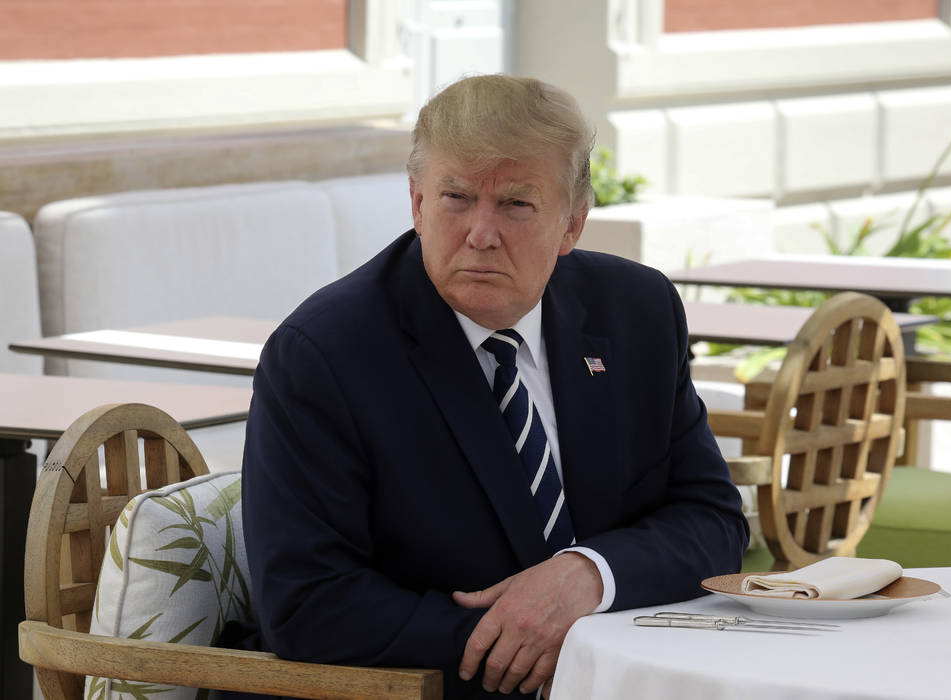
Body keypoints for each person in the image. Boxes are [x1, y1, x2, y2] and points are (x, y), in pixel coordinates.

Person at [237, 74, 749, 699]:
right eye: (456, 197)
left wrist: (590, 576)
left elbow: (714, 521)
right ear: (417, 204)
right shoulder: (325, 355)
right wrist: (534, 637)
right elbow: (306, 605)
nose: (481, 232)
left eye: (516, 203)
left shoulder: (636, 311)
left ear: (572, 225)